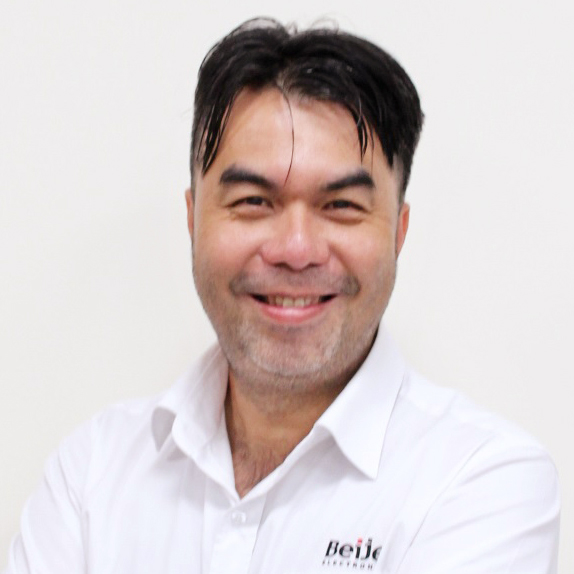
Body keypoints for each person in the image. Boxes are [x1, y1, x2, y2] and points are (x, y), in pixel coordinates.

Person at [4, 18, 559, 574]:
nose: (296, 250)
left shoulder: (485, 482)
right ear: (193, 219)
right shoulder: (92, 473)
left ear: (399, 231)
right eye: (253, 201)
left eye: (341, 206)